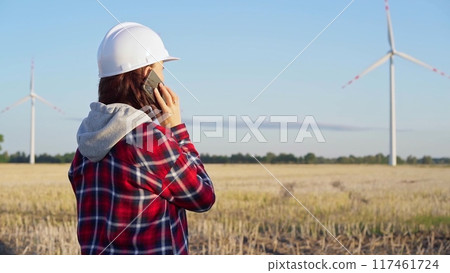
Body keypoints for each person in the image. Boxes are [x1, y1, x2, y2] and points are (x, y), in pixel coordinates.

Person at [68, 22, 215, 255]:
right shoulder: (148, 141)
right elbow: (203, 196)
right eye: (161, 69)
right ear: (148, 75)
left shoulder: (84, 145)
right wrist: (175, 127)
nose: (164, 79)